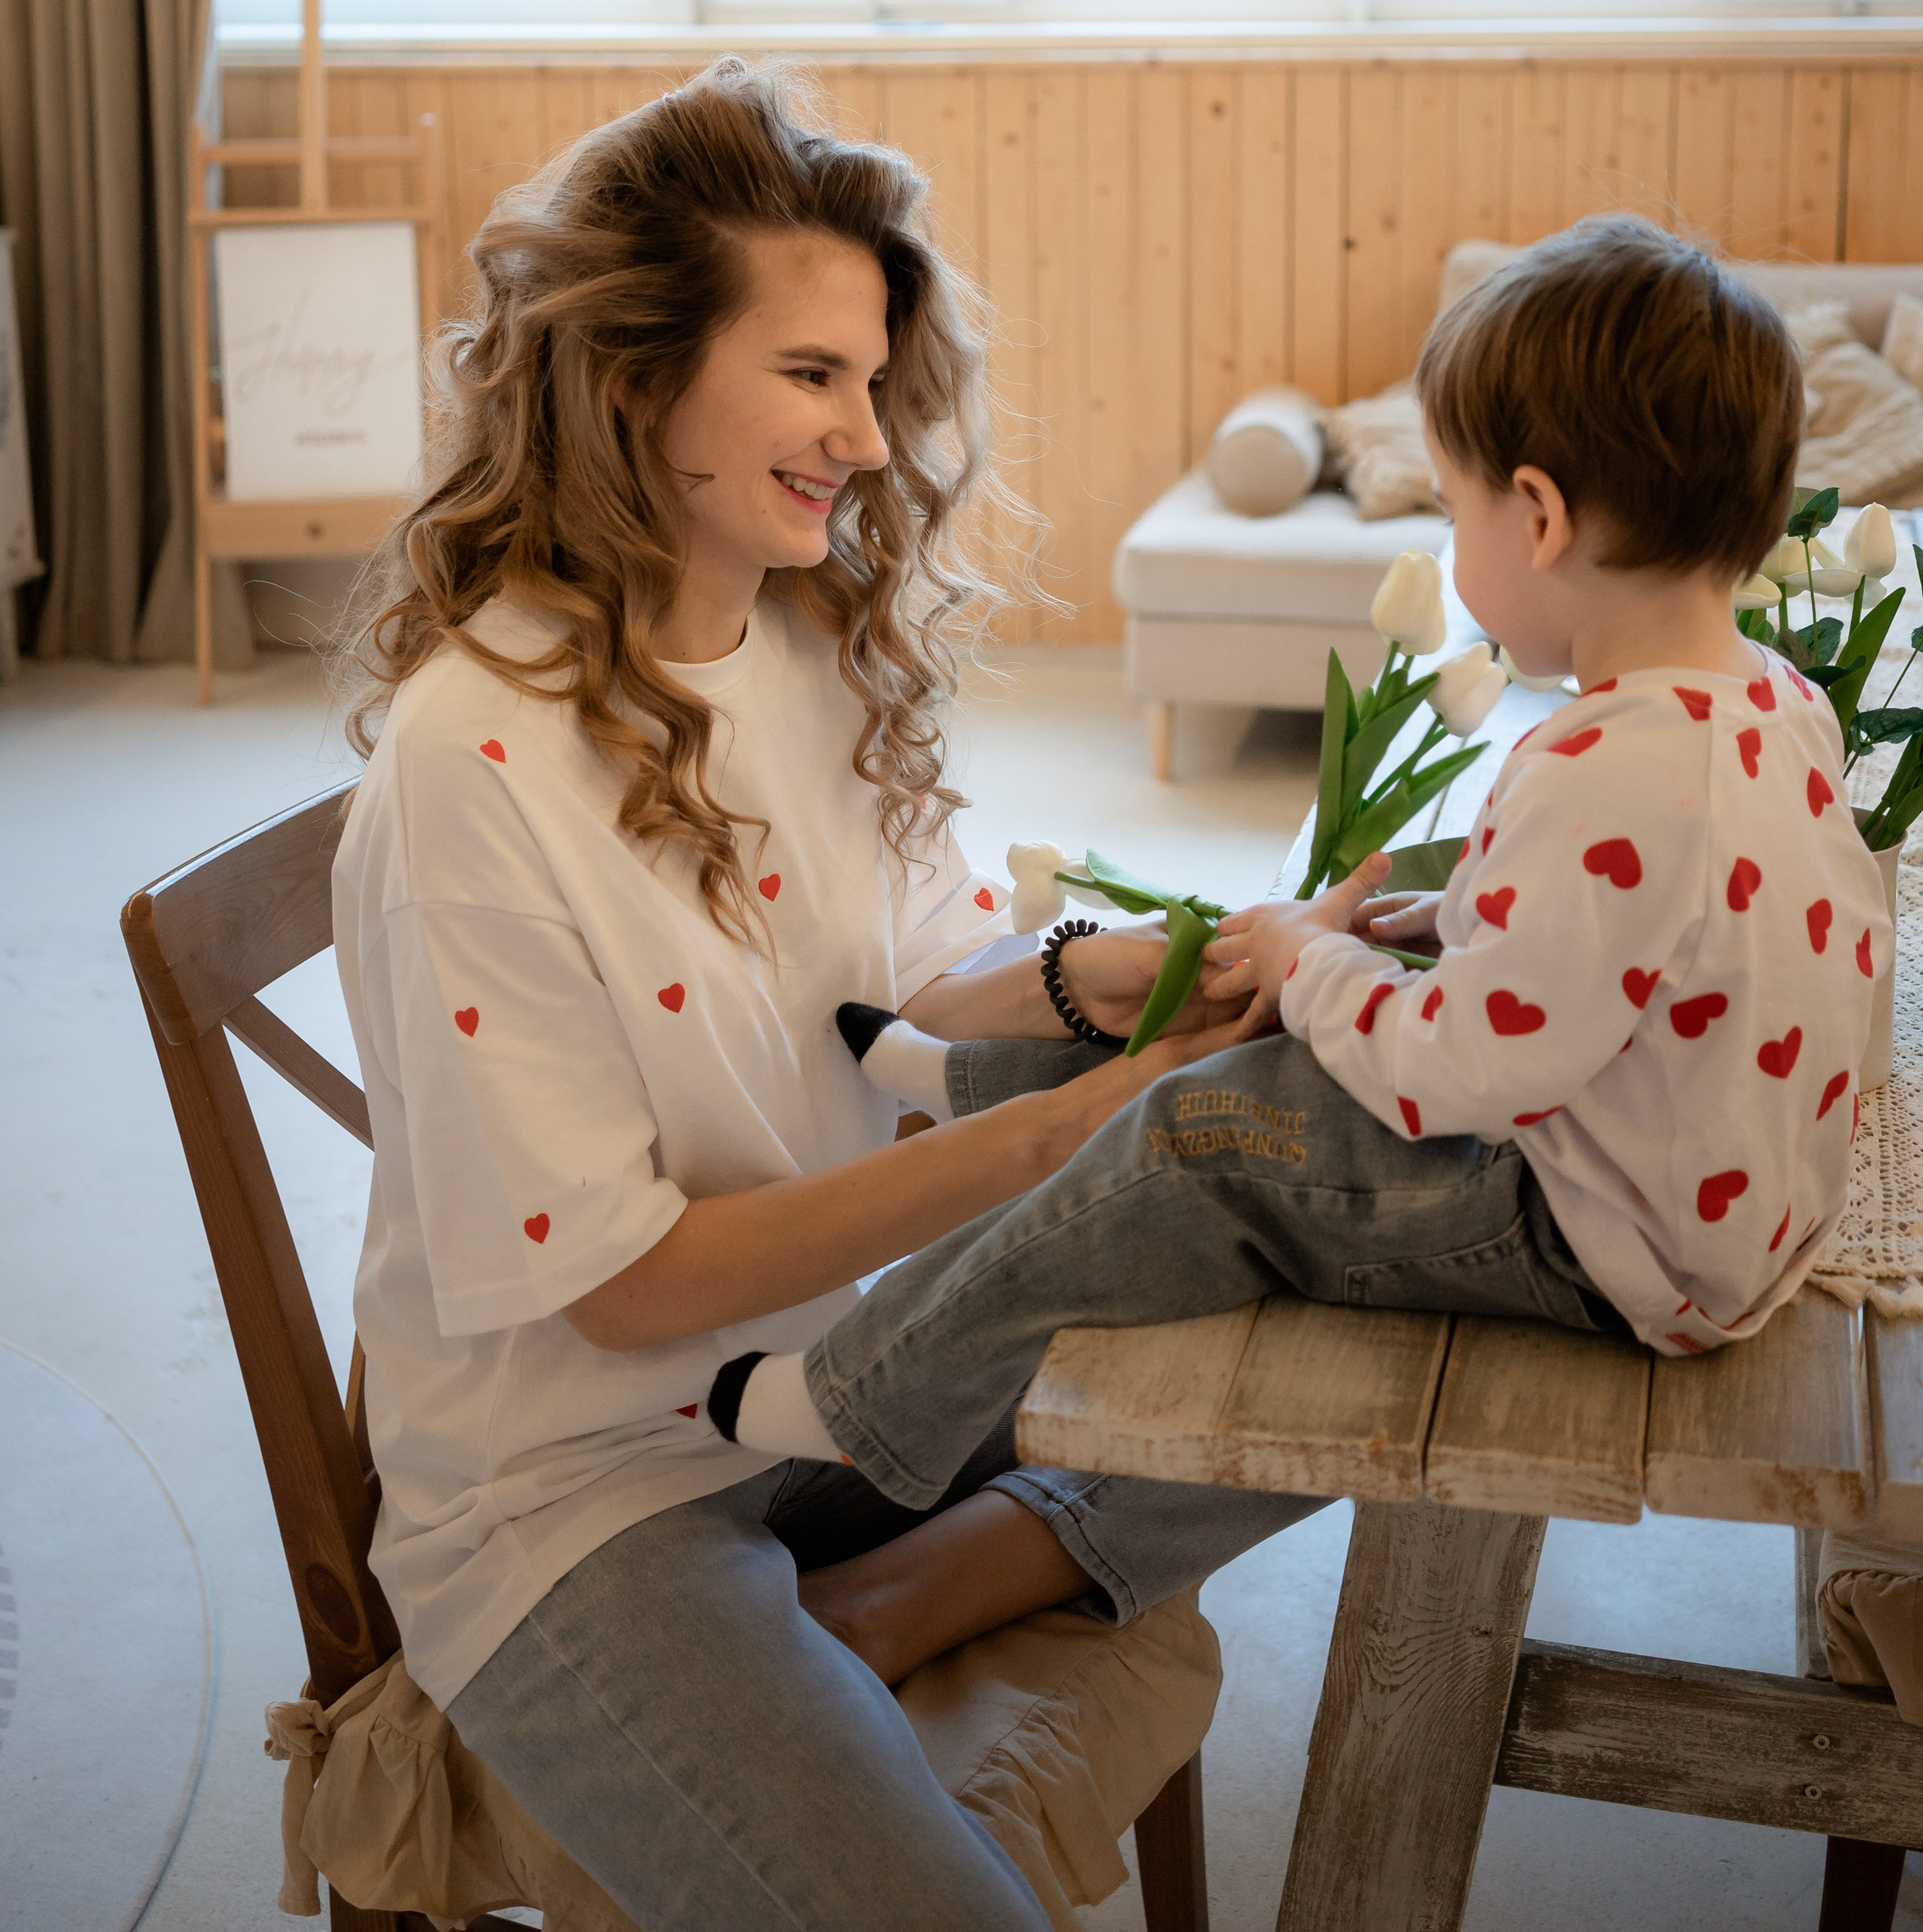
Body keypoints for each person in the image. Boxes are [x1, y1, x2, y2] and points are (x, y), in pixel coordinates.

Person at [330, 59, 1312, 1932]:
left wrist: (1185, 969)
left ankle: (902, 1595)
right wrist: (1053, 1135)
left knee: (1362, 1285)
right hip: (586, 1497)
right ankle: (962, 1568)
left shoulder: (801, 639)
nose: (865, 438)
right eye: (810, 376)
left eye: (872, 381)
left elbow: (908, 983)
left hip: (853, 1375)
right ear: (633, 381)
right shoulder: (472, 761)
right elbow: (620, 1283)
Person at [710, 217, 1886, 1522]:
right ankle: (968, 1079)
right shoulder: (1768, 704)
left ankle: (868, 1392)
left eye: (1455, 510)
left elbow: (1453, 1074)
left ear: (1541, 516)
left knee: (1203, 1131)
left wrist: (1313, 954)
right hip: (1702, 1204)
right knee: (1306, 1010)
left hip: (1599, 1239)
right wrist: (1435, 926)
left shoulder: (1607, 767)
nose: (1455, 543)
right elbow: (1673, 936)